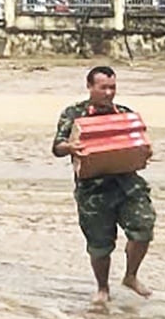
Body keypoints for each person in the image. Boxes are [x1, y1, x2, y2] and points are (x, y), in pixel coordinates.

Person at [53, 66, 156, 304]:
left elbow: (140, 143)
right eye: (103, 88)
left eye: (113, 88)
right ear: (90, 87)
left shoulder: (125, 114)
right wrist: (70, 147)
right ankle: (102, 288)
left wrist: (145, 152)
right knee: (99, 244)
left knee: (144, 229)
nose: (109, 93)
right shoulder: (74, 113)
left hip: (128, 184)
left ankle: (131, 276)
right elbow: (57, 147)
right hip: (93, 190)